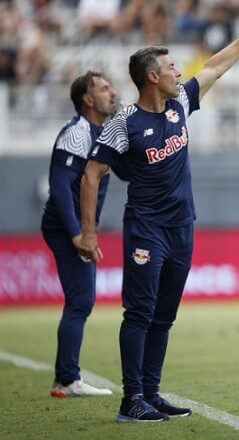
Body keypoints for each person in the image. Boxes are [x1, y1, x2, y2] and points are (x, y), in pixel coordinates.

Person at [78, 2, 239, 423]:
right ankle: (130, 399)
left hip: (182, 227)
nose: (179, 72)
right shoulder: (124, 123)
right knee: (139, 312)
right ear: (153, 76)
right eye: (171, 67)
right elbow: (91, 175)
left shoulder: (181, 104)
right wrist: (89, 232)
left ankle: (150, 394)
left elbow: (214, 68)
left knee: (164, 317)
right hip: (146, 228)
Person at [41, 71, 119, 398]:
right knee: (81, 301)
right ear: (88, 100)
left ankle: (65, 378)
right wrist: (77, 234)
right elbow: (59, 186)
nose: (112, 93)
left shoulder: (105, 130)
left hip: (79, 226)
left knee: (80, 301)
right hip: (65, 226)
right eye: (104, 89)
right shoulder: (77, 132)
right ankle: (68, 379)